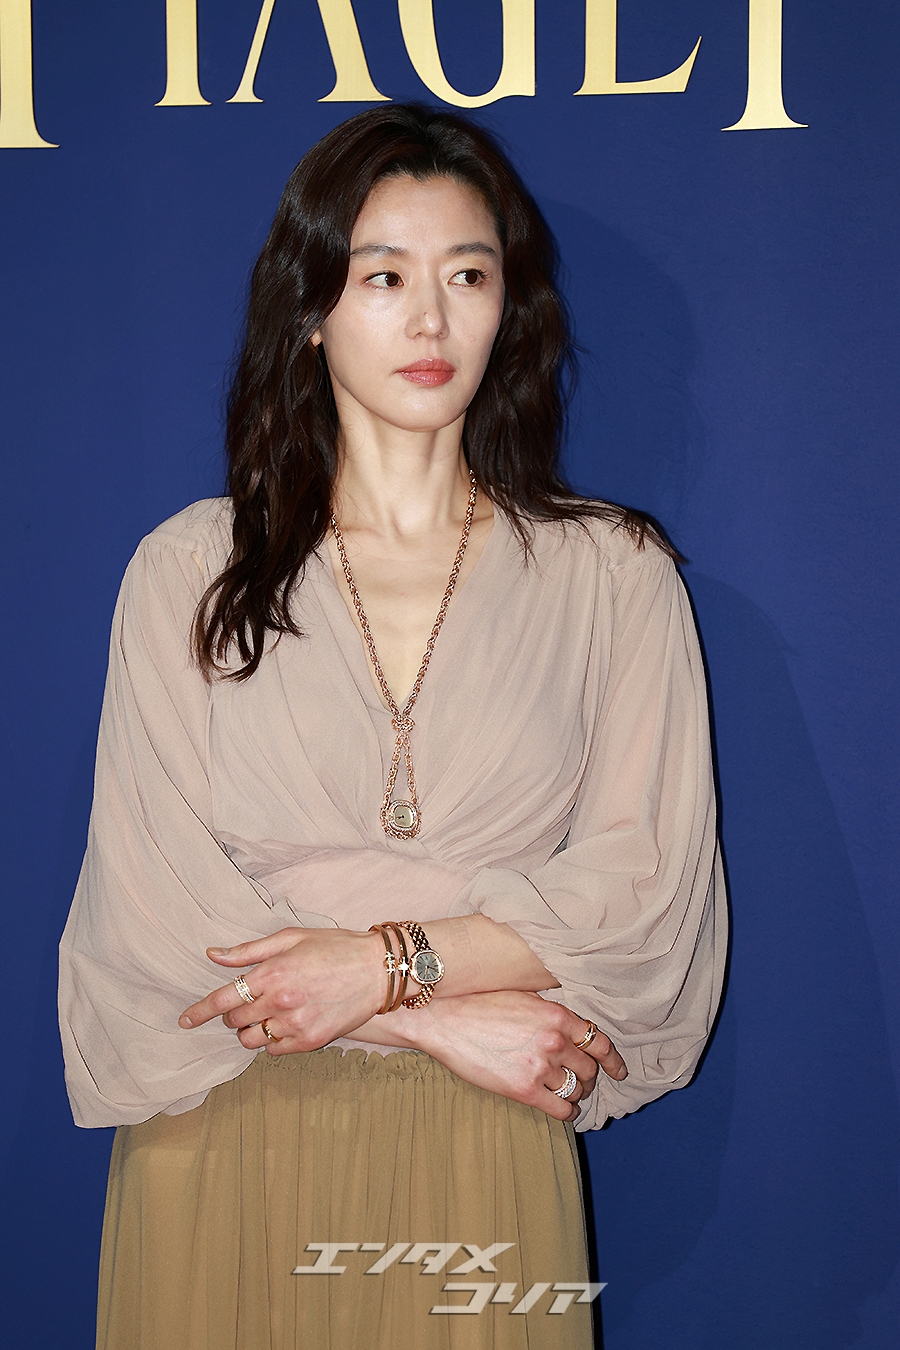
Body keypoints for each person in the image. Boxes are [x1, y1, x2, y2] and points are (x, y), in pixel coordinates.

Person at [59, 104, 726, 1349]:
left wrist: (376, 965)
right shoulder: (191, 572)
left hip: (485, 1141)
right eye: (383, 277)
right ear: (312, 308)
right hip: (231, 1128)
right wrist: (428, 1009)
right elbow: (150, 913)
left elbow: (643, 895)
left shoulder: (613, 576)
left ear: (509, 308)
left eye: (468, 276)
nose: (431, 320)